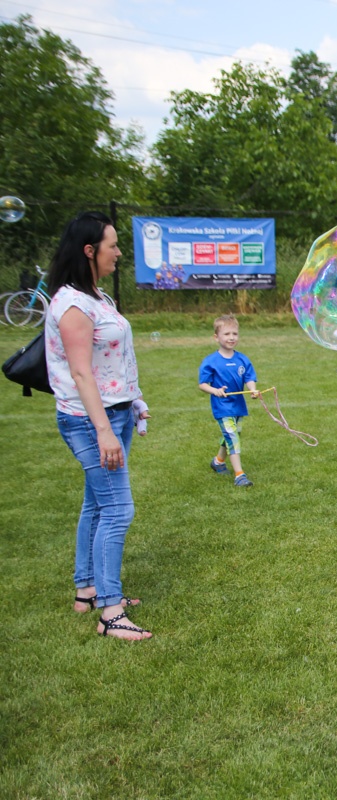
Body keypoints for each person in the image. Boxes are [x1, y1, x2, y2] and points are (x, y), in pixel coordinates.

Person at [46, 212, 153, 640]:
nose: (119, 252)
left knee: (96, 504)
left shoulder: (96, 296)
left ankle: (87, 589)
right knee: (117, 510)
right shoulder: (73, 305)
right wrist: (104, 430)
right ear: (90, 250)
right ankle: (110, 612)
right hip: (92, 420)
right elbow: (81, 373)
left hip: (116, 411)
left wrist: (133, 398)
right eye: (113, 245)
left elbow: (112, 360)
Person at [198, 314, 260, 487]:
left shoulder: (242, 359)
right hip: (222, 406)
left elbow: (249, 377)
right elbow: (202, 384)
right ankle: (239, 475)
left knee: (232, 435)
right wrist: (215, 391)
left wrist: (253, 389)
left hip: (238, 405)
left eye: (234, 334)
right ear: (216, 337)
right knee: (232, 437)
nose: (231, 337)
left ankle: (218, 461)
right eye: (226, 334)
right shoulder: (210, 361)